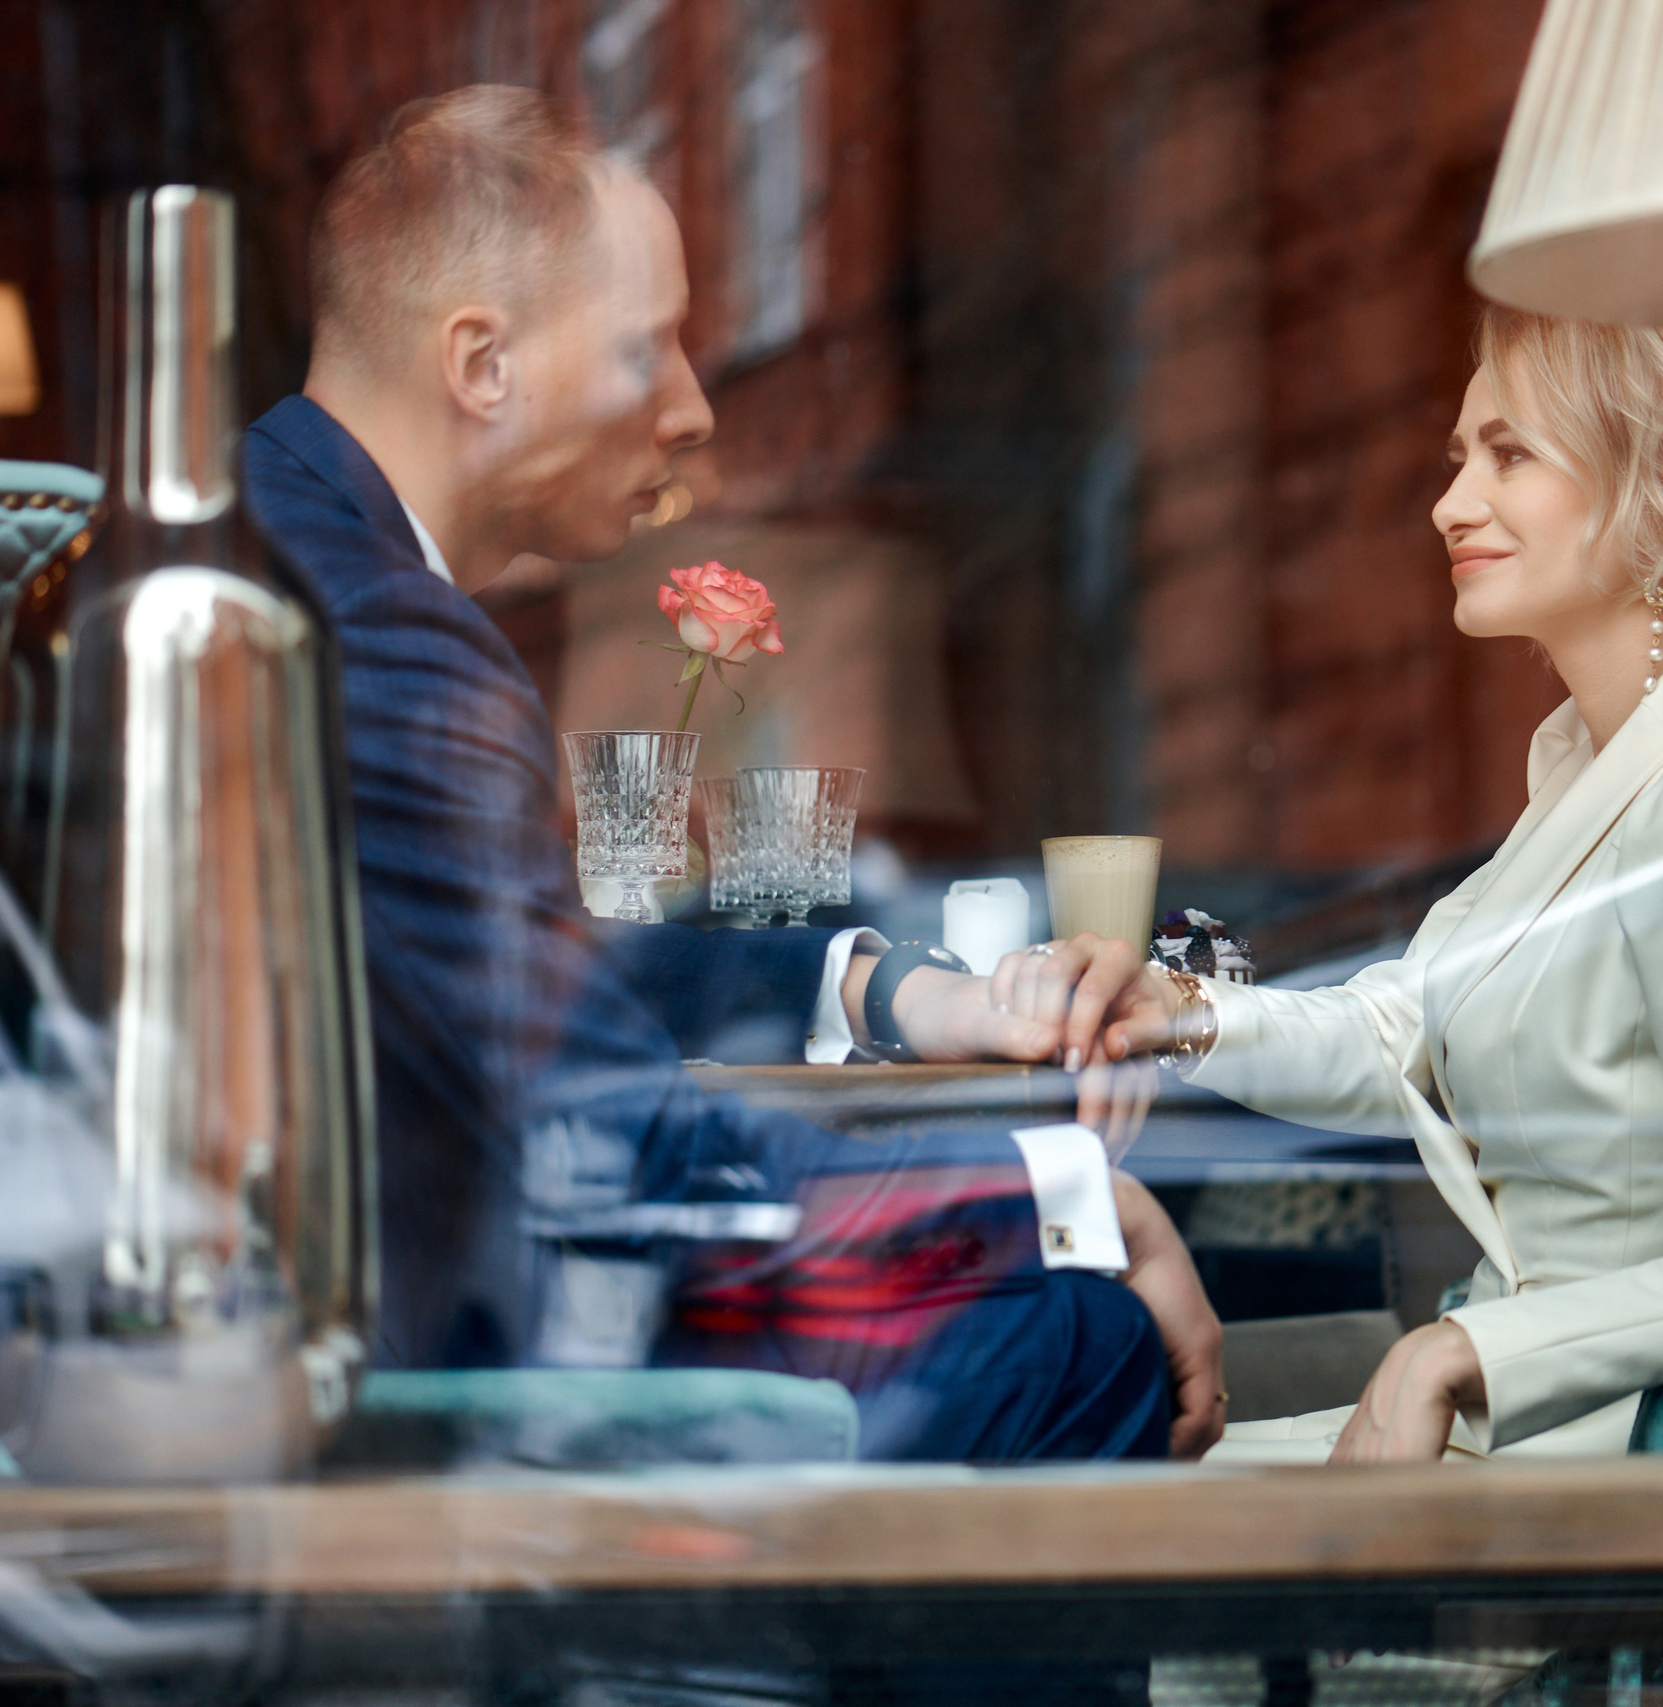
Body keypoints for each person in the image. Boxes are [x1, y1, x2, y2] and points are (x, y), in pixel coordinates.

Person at [241, 85, 1221, 1461]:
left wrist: (888, 981)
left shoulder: (295, 543)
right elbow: (609, 1135)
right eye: (649, 352)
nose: (696, 409)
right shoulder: (381, 634)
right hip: (398, 1410)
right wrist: (1072, 1193)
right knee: (1078, 1333)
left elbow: (554, 975)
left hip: (379, 1327)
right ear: (482, 366)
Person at [1018, 308, 1663, 1463]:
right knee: (1058, 1466)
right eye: (1461, 461)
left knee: (1062, 1506)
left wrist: (1453, 1358)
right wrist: (1180, 1014)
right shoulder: (1589, 769)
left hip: (1596, 1458)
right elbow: (1408, 1022)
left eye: (1509, 455)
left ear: (1659, 482)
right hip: (1498, 1426)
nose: (1448, 504)